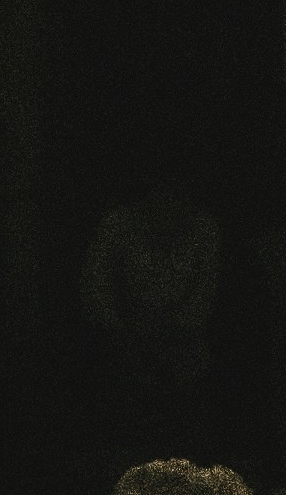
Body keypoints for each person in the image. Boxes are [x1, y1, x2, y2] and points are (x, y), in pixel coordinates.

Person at [79, 163, 223, 471]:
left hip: (184, 346)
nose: (168, 203)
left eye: (176, 194)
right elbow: (96, 286)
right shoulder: (118, 225)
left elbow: (204, 293)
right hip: (125, 342)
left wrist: (174, 332)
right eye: (162, 193)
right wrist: (122, 332)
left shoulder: (203, 229)